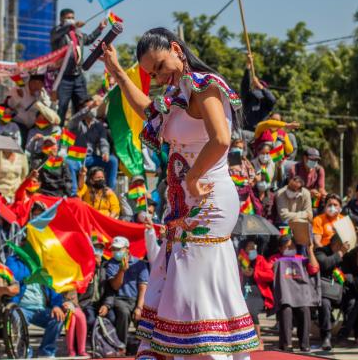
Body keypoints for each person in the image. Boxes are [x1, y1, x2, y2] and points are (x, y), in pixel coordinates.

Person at [101, 27, 260, 357]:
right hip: (182, 203)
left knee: (195, 279)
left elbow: (220, 139)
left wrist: (192, 178)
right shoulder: (178, 96)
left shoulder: (206, 86)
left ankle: (210, 353)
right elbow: (146, 108)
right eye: (151, 73)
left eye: (159, 66)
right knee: (182, 274)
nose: (158, 77)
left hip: (208, 197)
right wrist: (117, 72)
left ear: (176, 49)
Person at [6, 245, 65, 358]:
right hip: (21, 308)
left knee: (58, 317)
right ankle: (25, 351)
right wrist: (29, 263)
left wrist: (57, 305)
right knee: (15, 317)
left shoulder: (43, 262)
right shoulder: (13, 260)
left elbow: (53, 286)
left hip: (41, 309)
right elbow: (14, 277)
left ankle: (46, 352)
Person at [50, 8, 107, 122]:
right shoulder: (57, 33)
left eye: (72, 18)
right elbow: (56, 34)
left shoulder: (77, 33)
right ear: (61, 19)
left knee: (82, 105)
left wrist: (100, 28)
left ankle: (78, 132)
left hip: (78, 76)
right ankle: (59, 133)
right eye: (68, 18)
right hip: (64, 77)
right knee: (62, 107)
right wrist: (72, 25)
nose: (71, 20)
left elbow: (89, 39)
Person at [271, 236, 320, 352]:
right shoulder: (275, 259)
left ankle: (304, 343)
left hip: (301, 294)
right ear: (280, 248)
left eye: (292, 246)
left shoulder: (301, 258)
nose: (290, 248)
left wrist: (310, 251)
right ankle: (286, 344)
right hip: (285, 295)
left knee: (304, 310)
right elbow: (267, 273)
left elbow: (314, 269)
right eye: (287, 246)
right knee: (286, 311)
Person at [105, 236, 149, 349]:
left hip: (136, 299)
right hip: (120, 299)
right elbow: (115, 286)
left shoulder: (139, 264)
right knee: (124, 313)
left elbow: (143, 288)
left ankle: (145, 348)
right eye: (114, 249)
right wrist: (122, 270)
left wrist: (139, 307)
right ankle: (121, 346)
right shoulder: (111, 264)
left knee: (144, 317)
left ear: (127, 249)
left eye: (119, 249)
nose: (116, 252)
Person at [67, 101, 119, 190]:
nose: (92, 110)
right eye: (91, 107)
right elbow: (73, 120)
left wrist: (105, 153)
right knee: (68, 162)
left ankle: (109, 192)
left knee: (112, 161)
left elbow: (104, 142)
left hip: (91, 158)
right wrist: (89, 107)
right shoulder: (77, 123)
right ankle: (74, 193)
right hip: (76, 157)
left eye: (94, 107)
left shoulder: (99, 125)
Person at [315, 234, 351, 350]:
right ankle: (326, 336)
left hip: (341, 289)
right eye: (341, 246)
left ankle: (343, 334)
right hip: (326, 291)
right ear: (335, 244)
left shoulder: (347, 254)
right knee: (324, 303)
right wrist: (340, 253)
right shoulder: (321, 251)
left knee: (354, 302)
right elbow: (325, 264)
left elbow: (350, 274)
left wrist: (340, 276)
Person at [238, 239, 274, 348]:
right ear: (244, 249)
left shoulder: (260, 259)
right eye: (250, 247)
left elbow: (270, 276)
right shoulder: (240, 260)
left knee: (252, 311)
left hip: (257, 292)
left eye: (254, 247)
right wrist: (242, 267)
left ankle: (258, 339)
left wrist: (256, 273)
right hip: (243, 291)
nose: (253, 249)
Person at [7, 74, 59, 142]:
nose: (36, 86)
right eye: (34, 83)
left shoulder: (43, 93)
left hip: (34, 127)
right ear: (30, 82)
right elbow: (10, 105)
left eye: (40, 84)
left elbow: (51, 112)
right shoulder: (20, 89)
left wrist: (54, 101)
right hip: (18, 123)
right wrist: (18, 97)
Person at [79, 234, 115, 331]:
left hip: (101, 303)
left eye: (100, 248)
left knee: (112, 318)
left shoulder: (106, 266)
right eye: (95, 247)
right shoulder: (81, 264)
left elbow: (110, 290)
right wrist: (93, 266)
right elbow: (80, 286)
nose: (98, 251)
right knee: (90, 320)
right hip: (86, 303)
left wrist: (106, 305)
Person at [240, 58, 276, 131]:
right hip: (246, 130)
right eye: (255, 86)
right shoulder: (249, 97)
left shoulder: (267, 102)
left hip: (261, 132)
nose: (257, 88)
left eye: (259, 87)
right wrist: (248, 66)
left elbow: (272, 99)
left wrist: (259, 85)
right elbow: (244, 85)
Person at [62, 289, 89, 357]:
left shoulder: (74, 281)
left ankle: (81, 350)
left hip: (74, 306)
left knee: (81, 316)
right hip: (62, 306)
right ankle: (71, 349)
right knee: (70, 318)